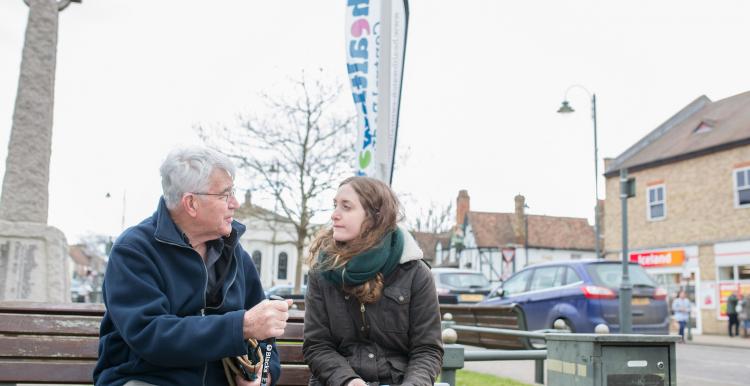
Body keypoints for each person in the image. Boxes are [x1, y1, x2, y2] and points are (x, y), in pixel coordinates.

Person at [94, 146, 292, 386]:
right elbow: (151, 336)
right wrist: (240, 326)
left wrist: (264, 375)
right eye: (225, 195)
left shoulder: (235, 253)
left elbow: (265, 336)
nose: (235, 203)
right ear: (191, 203)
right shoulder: (134, 250)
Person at [302, 176, 444, 386]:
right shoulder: (322, 272)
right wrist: (348, 381)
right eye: (335, 205)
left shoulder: (414, 272)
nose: (334, 215)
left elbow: (427, 350)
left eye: (346, 207)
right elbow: (317, 346)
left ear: (374, 216)